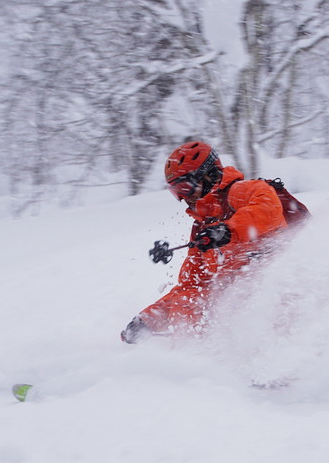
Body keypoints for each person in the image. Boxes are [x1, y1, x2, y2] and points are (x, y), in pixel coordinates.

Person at [121, 141, 289, 343]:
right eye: (177, 192)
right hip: (243, 308)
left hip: (279, 286)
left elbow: (267, 207)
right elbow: (192, 285)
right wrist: (147, 320)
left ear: (208, 176)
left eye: (185, 188)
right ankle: (196, 359)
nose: (183, 198)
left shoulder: (241, 191)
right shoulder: (203, 231)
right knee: (188, 300)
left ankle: (206, 355)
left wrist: (228, 230)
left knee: (237, 299)